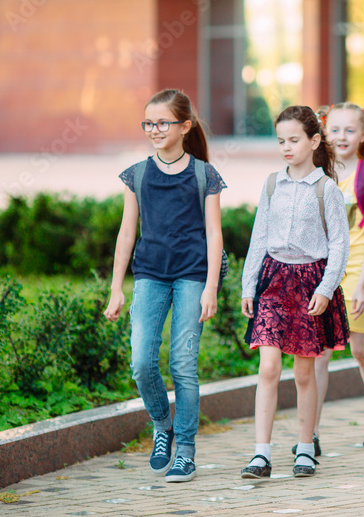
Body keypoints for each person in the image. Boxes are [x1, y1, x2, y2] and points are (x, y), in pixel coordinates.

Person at [105, 89, 225, 483]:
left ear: (185, 126)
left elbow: (213, 234)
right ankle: (163, 425)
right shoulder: (137, 174)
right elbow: (126, 233)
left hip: (192, 276)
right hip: (150, 277)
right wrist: (116, 287)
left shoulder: (203, 174)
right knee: (141, 363)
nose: (154, 130)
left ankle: (186, 451)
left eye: (163, 123)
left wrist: (211, 287)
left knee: (183, 366)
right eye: (149, 123)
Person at [238, 106, 350, 480]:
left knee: (305, 373)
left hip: (309, 284)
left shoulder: (326, 189)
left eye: (294, 140)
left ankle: (305, 447)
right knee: (268, 366)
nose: (286, 147)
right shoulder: (272, 184)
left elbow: (339, 245)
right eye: (281, 140)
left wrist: (326, 288)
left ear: (314, 141)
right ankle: (261, 453)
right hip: (272, 281)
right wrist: (247, 284)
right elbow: (258, 237)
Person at [307, 102, 364, 451]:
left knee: (360, 349)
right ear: (324, 132)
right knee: (320, 353)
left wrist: (361, 284)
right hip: (325, 270)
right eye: (335, 129)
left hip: (358, 270)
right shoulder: (317, 173)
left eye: (350, 130)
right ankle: (309, 432)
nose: (342, 137)